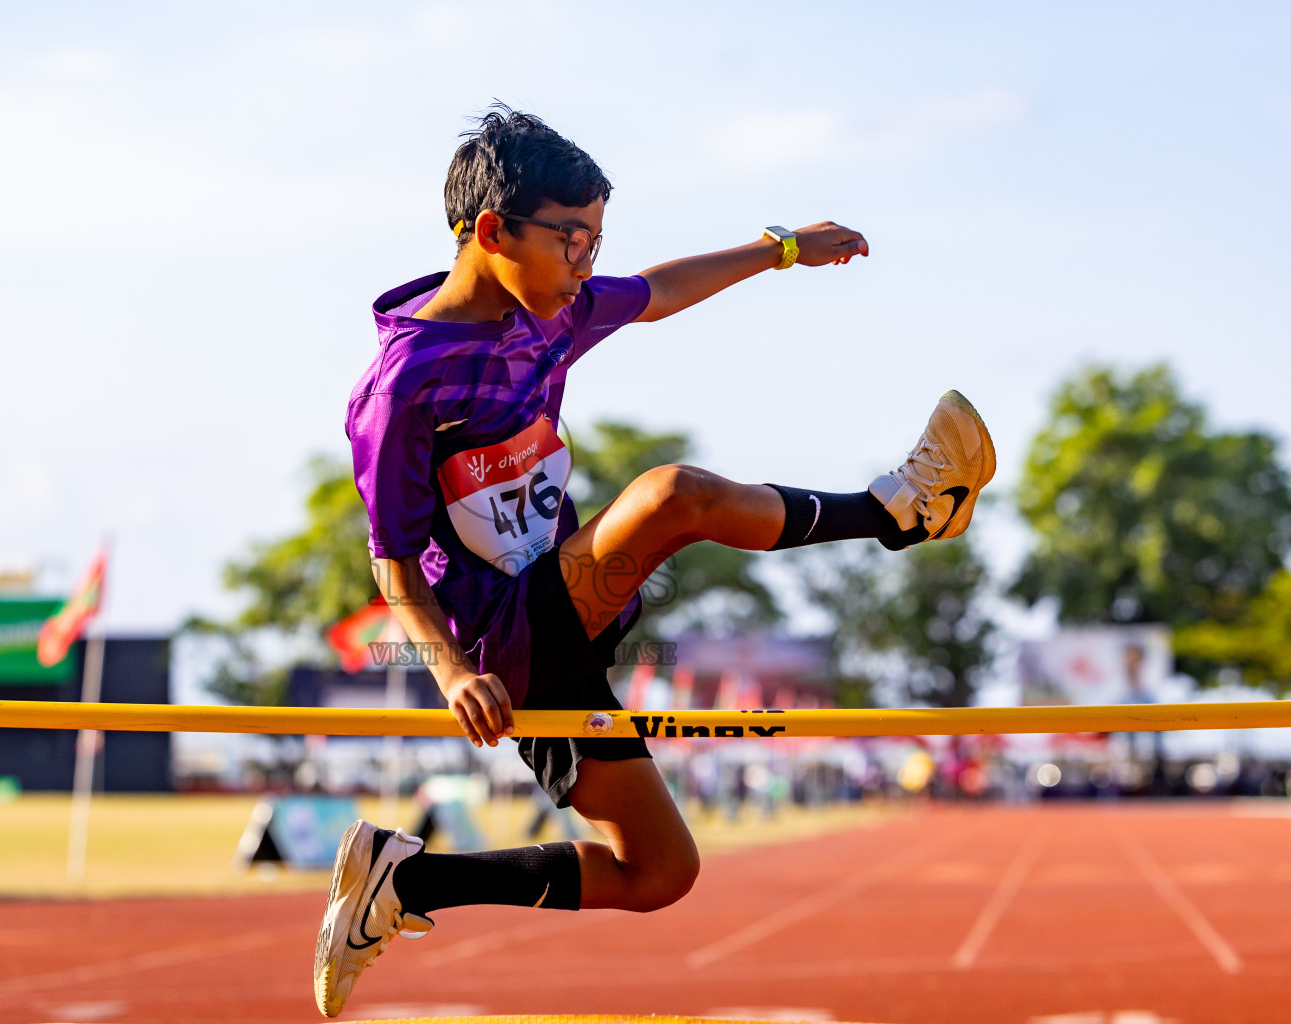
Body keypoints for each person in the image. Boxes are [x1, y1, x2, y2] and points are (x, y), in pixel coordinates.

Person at [315, 105, 996, 1017]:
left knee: (661, 871)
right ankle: (899, 515)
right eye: (572, 241)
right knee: (673, 497)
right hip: (500, 637)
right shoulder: (404, 384)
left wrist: (783, 249)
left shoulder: (548, 313)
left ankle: (406, 886)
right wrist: (445, 674)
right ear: (491, 231)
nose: (586, 267)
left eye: (595, 241)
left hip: (560, 632)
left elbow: (660, 288)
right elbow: (393, 563)